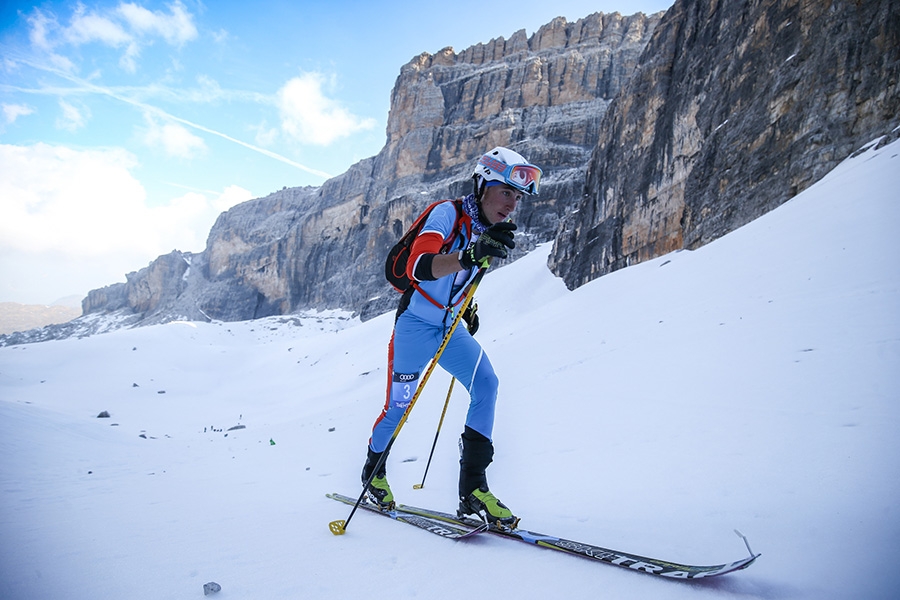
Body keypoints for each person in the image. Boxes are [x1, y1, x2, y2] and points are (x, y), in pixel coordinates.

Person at [360, 146, 542, 527]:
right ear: (482, 185)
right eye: (506, 192)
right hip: (414, 327)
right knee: (399, 408)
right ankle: (373, 471)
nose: (512, 204)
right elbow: (419, 266)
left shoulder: (490, 231)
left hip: (448, 326)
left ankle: (473, 488)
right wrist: (471, 256)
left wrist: (466, 307)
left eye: (518, 197)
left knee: (487, 384)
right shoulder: (448, 214)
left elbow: (461, 280)